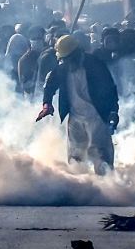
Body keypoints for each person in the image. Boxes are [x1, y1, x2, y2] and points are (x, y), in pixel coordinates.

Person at [36, 35, 120, 174]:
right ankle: (79, 185)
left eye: (68, 58)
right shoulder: (63, 67)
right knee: (75, 154)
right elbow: (50, 84)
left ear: (77, 53)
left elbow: (110, 89)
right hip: (75, 116)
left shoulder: (95, 64)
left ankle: (107, 186)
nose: (65, 62)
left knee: (100, 154)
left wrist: (113, 111)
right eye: (63, 59)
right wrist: (47, 104)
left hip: (96, 116)